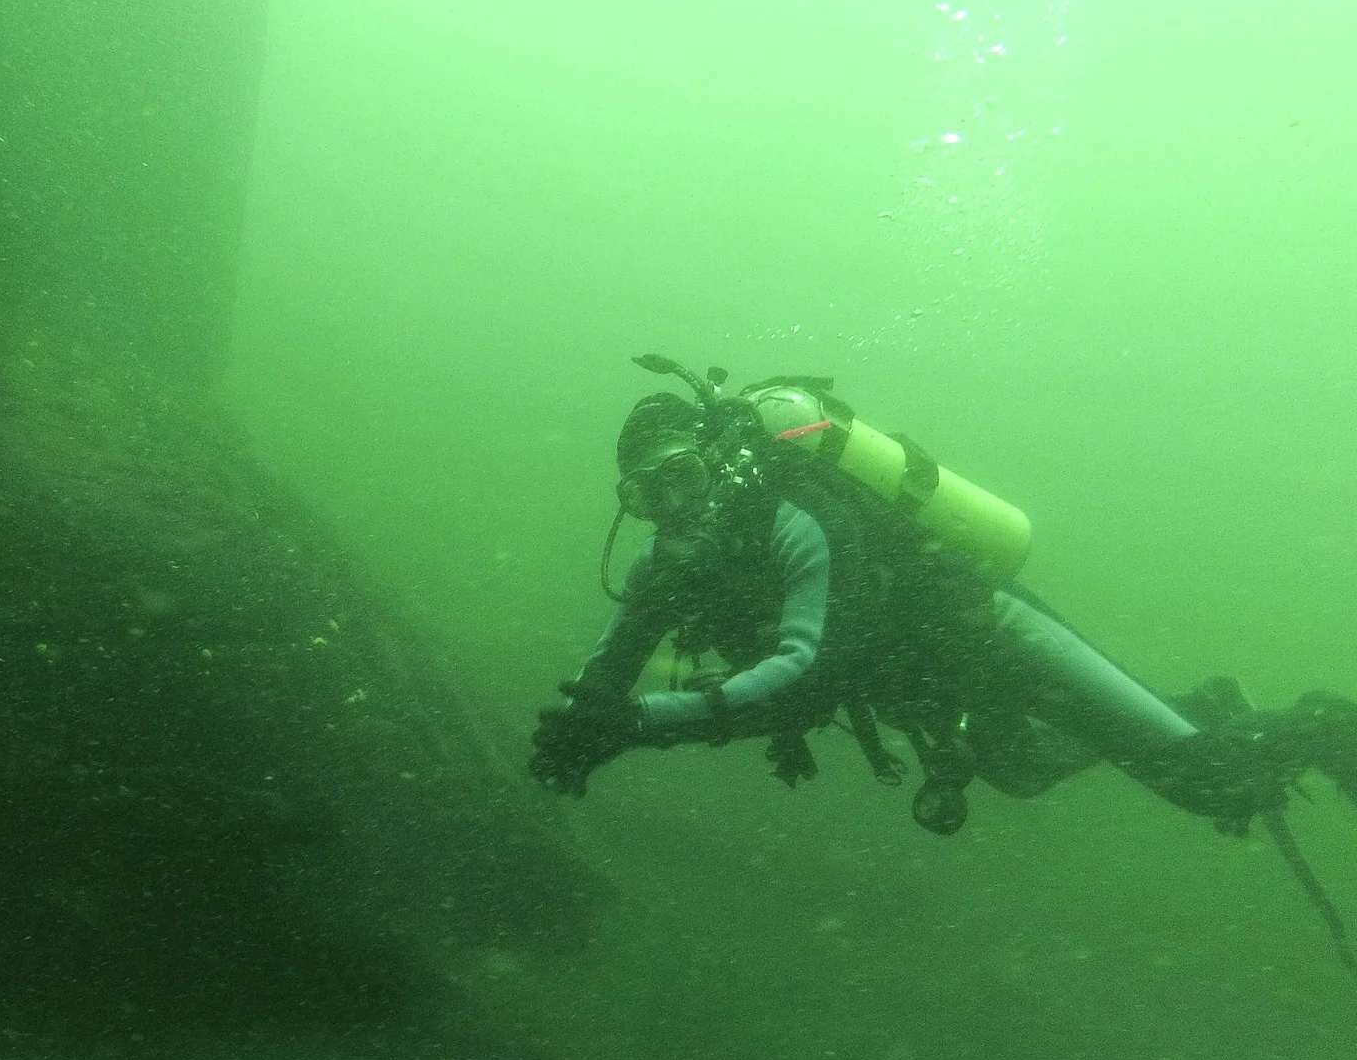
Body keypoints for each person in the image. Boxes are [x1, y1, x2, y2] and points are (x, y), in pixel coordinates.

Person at [529, 356, 1357, 861]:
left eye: (682, 475)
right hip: (934, 684)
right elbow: (613, 661)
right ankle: (1198, 710)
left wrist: (636, 726)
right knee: (1023, 771)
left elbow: (807, 676)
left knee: (1214, 784)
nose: (670, 506)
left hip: (997, 636)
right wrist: (588, 725)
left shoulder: (797, 517)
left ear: (718, 462)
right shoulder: (669, 563)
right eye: (644, 493)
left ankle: (1324, 723)